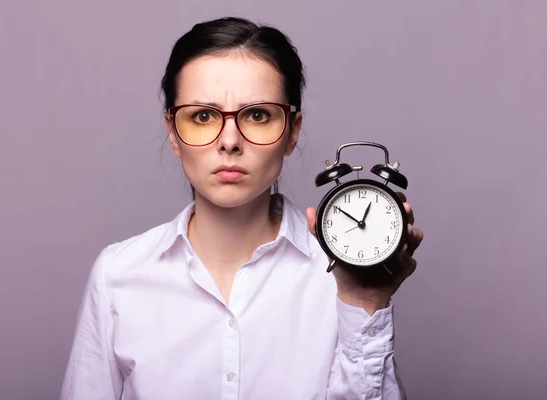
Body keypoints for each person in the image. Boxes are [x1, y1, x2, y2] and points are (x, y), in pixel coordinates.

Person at [60, 16, 424, 400]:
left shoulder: (341, 278)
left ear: (292, 131)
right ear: (173, 132)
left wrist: (365, 303)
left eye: (257, 115)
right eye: (202, 116)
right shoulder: (118, 275)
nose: (230, 141)